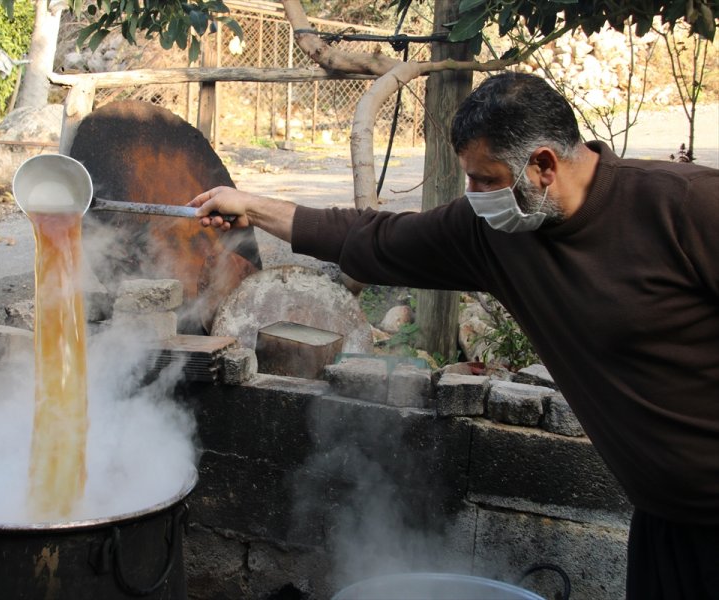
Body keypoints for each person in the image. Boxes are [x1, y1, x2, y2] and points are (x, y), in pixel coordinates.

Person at [188, 72, 719, 598]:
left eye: (486, 180)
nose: (474, 195)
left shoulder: (687, 208)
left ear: (543, 165)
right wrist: (251, 205)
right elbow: (374, 237)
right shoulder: (494, 232)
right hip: (662, 518)